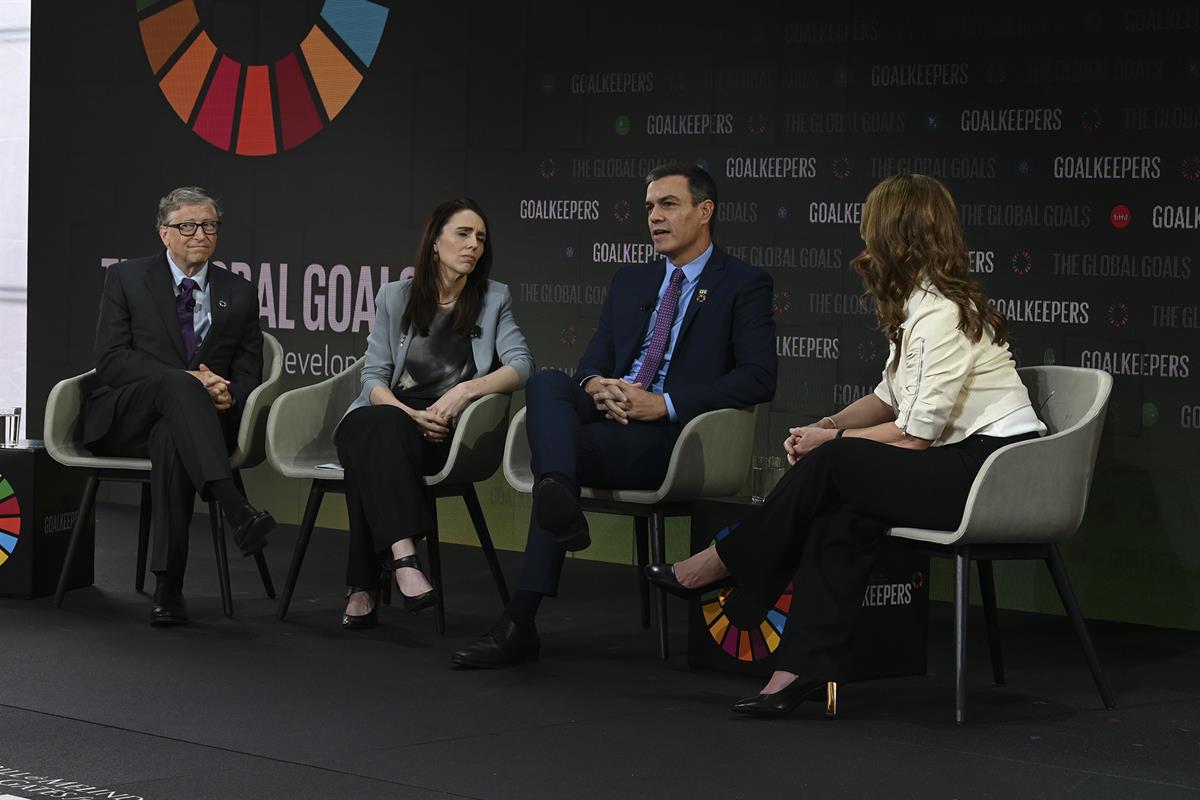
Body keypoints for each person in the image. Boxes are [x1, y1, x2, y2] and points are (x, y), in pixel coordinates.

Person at [646, 174, 1047, 718]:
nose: (863, 236)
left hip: (996, 471)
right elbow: (887, 400)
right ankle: (798, 672)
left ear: (895, 233)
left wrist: (829, 441)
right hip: (958, 460)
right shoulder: (918, 305)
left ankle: (723, 563)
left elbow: (914, 435)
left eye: (871, 225)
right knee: (842, 513)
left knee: (836, 462)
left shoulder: (942, 315)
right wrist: (827, 422)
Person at [452, 163, 777, 668]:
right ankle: (558, 493)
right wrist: (595, 386)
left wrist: (662, 403)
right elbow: (592, 362)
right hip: (611, 413)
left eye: (668, 204)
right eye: (649, 207)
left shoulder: (743, 283)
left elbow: (759, 377)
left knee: (558, 459)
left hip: (673, 436)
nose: (654, 217)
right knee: (548, 383)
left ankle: (521, 618)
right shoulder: (630, 281)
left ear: (704, 211)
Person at [334, 198, 533, 629]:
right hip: (387, 414)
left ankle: (363, 584)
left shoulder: (494, 298)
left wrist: (466, 390)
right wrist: (404, 411)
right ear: (435, 241)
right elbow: (372, 378)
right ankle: (405, 558)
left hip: (442, 431)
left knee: (368, 456)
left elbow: (521, 366)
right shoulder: (395, 296)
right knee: (376, 429)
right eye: (463, 234)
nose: (473, 245)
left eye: (480, 237)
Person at [85, 186, 275, 626]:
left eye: (209, 225)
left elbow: (250, 372)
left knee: (173, 435)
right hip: (128, 415)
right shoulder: (127, 278)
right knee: (177, 386)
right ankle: (234, 506)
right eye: (186, 225)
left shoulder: (240, 292)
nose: (199, 234)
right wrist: (190, 381)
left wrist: (230, 395)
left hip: (200, 425)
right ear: (163, 234)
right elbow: (111, 361)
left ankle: (168, 587)